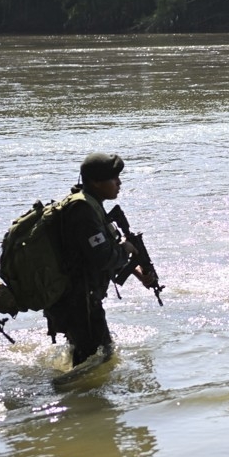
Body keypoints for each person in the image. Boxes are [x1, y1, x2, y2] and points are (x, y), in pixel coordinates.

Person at [44, 153, 158, 366]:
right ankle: (62, 397)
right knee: (94, 363)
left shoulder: (90, 204)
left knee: (96, 359)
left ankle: (75, 396)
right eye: (113, 178)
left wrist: (136, 272)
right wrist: (126, 249)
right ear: (96, 182)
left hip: (80, 298)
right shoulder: (84, 210)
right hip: (78, 301)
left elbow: (95, 252)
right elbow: (103, 257)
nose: (119, 183)